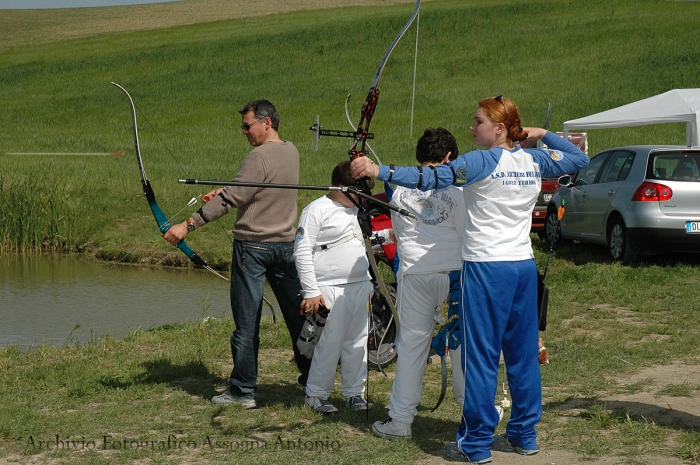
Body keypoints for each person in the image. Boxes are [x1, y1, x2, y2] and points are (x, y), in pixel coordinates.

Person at [351, 95, 589, 463]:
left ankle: (475, 444)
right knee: (522, 355)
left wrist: (377, 171)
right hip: (522, 266)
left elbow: (429, 177)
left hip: (486, 267)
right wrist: (541, 134)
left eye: (478, 122)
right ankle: (524, 434)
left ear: (497, 129)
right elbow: (579, 160)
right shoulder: (531, 158)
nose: (471, 127)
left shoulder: (480, 160)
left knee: (480, 355)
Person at [164, 99, 311, 409]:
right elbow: (259, 191)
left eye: (247, 126)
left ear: (266, 122)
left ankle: (243, 391)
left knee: (246, 324)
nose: (244, 132)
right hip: (286, 246)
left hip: (253, 248)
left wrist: (187, 225)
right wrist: (227, 192)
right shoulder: (292, 151)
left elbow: (233, 198)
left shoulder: (257, 156)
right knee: (299, 321)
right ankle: (315, 380)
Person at [372, 128, 469, 439]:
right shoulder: (460, 191)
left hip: (414, 275)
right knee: (461, 346)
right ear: (449, 157)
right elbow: (469, 236)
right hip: (452, 274)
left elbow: (387, 178)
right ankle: (473, 415)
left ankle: (400, 422)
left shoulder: (397, 188)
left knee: (411, 347)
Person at [293, 160, 374, 414]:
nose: (363, 198)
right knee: (329, 344)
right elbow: (302, 251)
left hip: (361, 285)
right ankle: (316, 395)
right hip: (328, 288)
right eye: (358, 192)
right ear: (340, 187)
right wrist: (311, 292)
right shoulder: (316, 209)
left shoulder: (360, 209)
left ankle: (354, 393)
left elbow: (367, 240)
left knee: (358, 342)